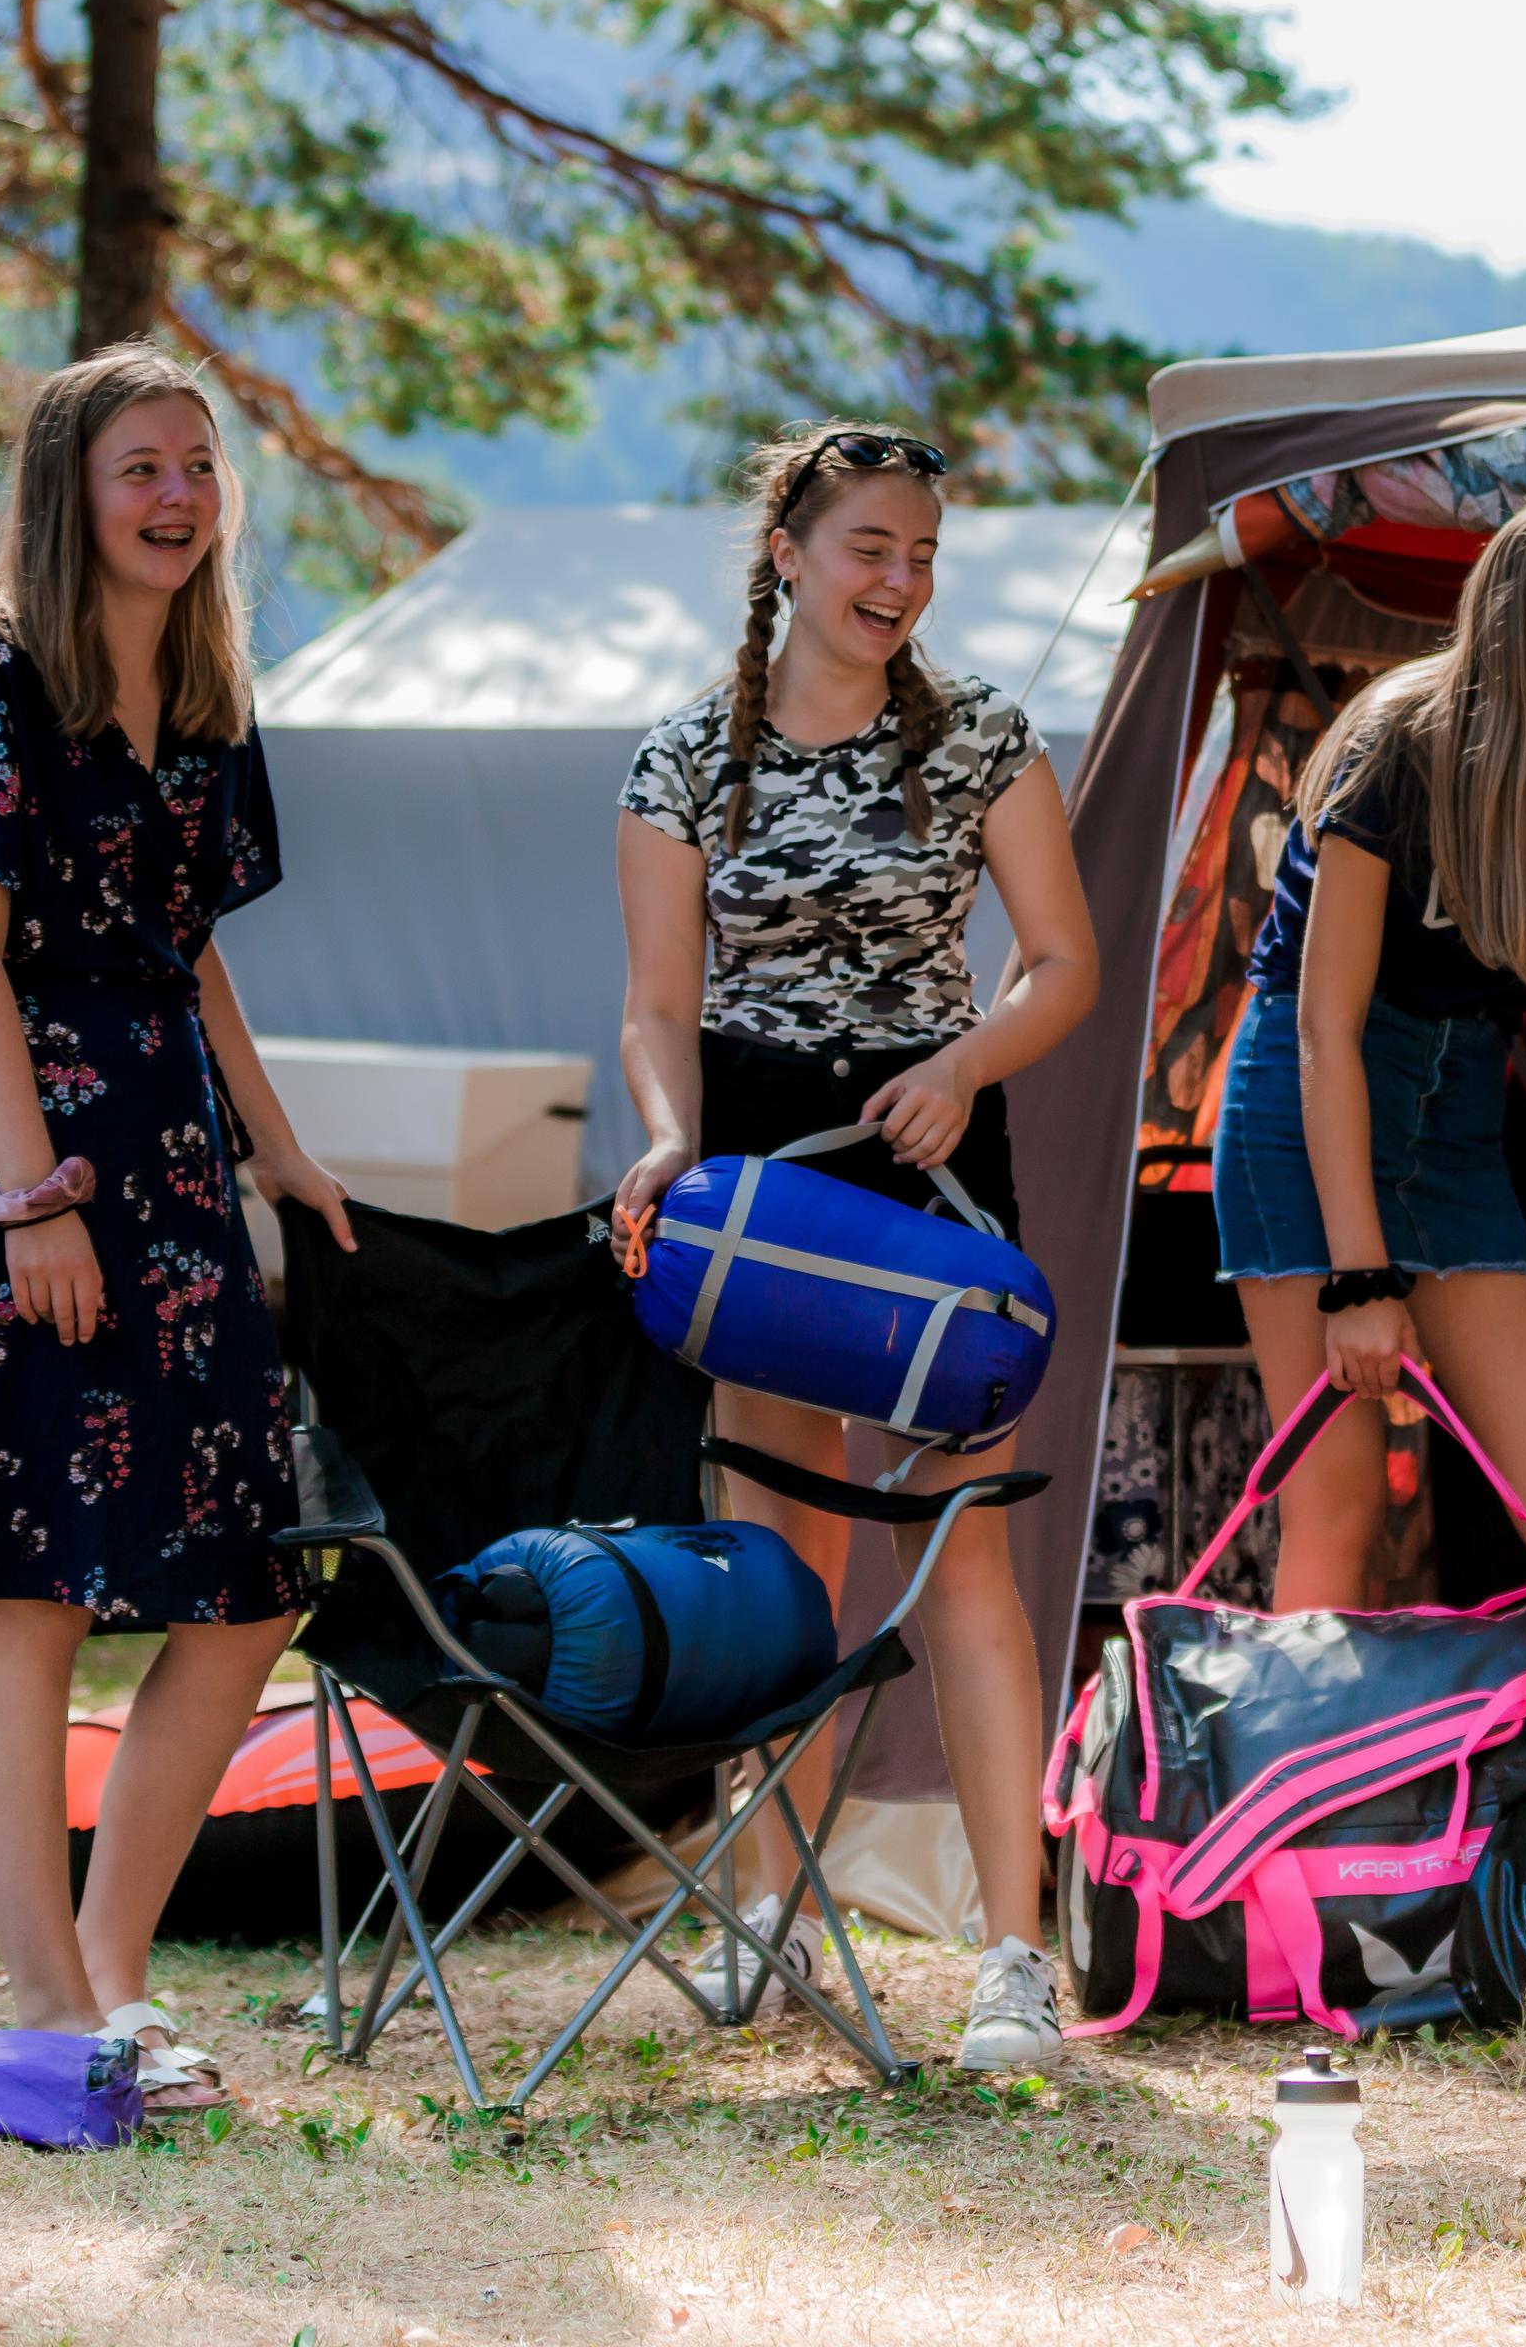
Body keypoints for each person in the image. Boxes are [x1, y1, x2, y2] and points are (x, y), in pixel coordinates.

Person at [0, 346, 359, 2113]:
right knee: (31, 1594)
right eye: (139, 469)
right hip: (30, 1162)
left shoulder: (211, 688)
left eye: (196, 466)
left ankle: (115, 1972)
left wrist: (284, 1152)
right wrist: (30, 1204)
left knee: (240, 1589)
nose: (175, 496)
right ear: (72, 494)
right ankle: (39, 2009)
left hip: (172, 1167)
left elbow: (196, 948)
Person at [610, 421, 1097, 2071]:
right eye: (872, 547)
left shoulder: (976, 740)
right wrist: (671, 1145)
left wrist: (966, 1068)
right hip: (755, 1173)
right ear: (791, 557)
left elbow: (1060, 965)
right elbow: (659, 1005)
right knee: (784, 1560)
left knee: (958, 1552)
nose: (902, 579)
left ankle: (1015, 1956)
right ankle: (769, 1915)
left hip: (932, 1159)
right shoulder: (682, 756)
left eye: (922, 554)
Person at [1213, 488, 1526, 1612]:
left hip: (1456, 1120)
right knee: (1341, 1507)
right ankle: (1309, 1791)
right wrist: (1361, 1278)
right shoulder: (1398, 741)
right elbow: (1322, 1028)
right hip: (1311, 1111)